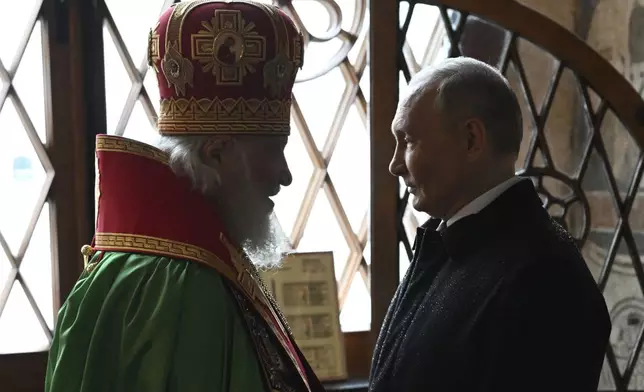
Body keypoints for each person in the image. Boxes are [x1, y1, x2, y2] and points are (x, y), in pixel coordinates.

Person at [45, 1, 325, 391]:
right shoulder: (182, 285)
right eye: (272, 150)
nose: (286, 174)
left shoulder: (170, 260)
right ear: (217, 153)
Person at [369, 57, 611, 391]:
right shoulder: (451, 244)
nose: (395, 165)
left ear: (471, 139)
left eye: (408, 140)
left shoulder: (544, 277)